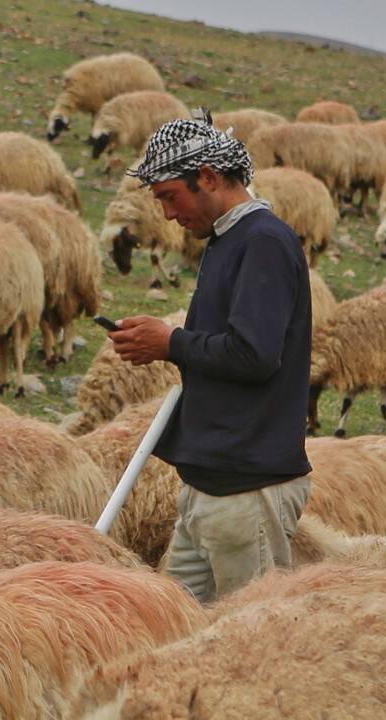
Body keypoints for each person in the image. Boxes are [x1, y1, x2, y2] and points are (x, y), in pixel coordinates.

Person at [108, 115, 312, 603]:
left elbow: (255, 354)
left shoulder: (262, 242)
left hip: (246, 489)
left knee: (254, 639)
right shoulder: (227, 241)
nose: (169, 215)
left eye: (170, 197)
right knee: (174, 625)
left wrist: (170, 342)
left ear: (208, 176)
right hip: (211, 486)